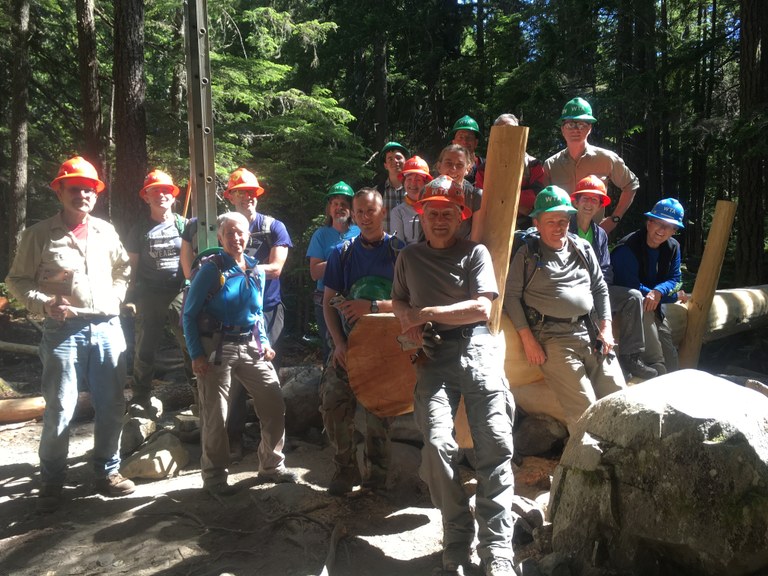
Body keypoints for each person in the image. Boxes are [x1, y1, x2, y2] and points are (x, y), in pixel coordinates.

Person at [391, 176, 517, 576]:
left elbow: (482, 308)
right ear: (420, 216)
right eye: (433, 213)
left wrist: (426, 313)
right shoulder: (408, 258)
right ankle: (456, 538)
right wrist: (407, 322)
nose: (440, 220)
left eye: (448, 213)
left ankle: (497, 548)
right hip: (433, 357)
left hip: (478, 349)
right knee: (437, 446)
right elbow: (399, 300)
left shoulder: (475, 252)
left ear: (461, 217)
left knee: (494, 445)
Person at [5, 156, 135, 512]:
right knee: (60, 408)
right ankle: (51, 480)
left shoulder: (106, 231)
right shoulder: (38, 234)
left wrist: (118, 296)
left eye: (89, 189)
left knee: (111, 404)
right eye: (75, 188)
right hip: (63, 332)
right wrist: (44, 303)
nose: (83, 194)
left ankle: (107, 472)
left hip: (108, 327)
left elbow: (124, 268)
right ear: (59, 190)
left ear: (96, 194)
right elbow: (15, 281)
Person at [182, 212, 296, 495]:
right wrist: (196, 354)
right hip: (217, 347)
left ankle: (271, 465)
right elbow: (189, 314)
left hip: (251, 345)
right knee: (215, 415)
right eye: (230, 233)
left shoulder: (256, 269)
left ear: (249, 236)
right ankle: (214, 477)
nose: (236, 238)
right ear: (220, 237)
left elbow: (257, 313)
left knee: (273, 403)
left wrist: (265, 341)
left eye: (241, 233)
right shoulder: (211, 270)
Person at [503, 186, 626, 433]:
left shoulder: (583, 247)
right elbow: (511, 297)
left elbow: (600, 287)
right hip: (552, 338)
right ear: (537, 223)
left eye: (564, 220)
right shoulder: (528, 255)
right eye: (551, 221)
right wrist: (527, 340)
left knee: (620, 399)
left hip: (591, 333)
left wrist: (606, 328)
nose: (559, 226)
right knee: (585, 409)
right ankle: (588, 468)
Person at [320, 188, 404, 496]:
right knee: (332, 403)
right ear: (353, 215)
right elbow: (328, 302)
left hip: (387, 350)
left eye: (371, 211)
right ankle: (345, 468)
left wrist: (371, 306)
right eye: (360, 212)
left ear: (383, 212)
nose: (365, 217)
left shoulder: (400, 252)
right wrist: (338, 345)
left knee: (377, 414)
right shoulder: (341, 254)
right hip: (349, 346)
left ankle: (376, 477)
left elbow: (413, 304)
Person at [217, 168, 293, 459]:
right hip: (232, 315)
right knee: (234, 378)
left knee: (268, 377)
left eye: (250, 192)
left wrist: (241, 268)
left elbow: (276, 269)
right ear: (231, 196)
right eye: (240, 192)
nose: (246, 197)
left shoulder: (273, 226)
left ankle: (272, 443)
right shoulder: (223, 227)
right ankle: (234, 439)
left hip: (269, 310)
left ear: (256, 196)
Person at [569, 175, 657, 380]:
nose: (589, 204)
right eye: (586, 198)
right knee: (587, 308)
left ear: (600, 205)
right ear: (576, 201)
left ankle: (630, 357)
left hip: (597, 289)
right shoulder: (564, 227)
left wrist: (599, 290)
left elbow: (606, 269)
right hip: (571, 291)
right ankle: (600, 365)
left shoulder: (600, 234)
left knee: (634, 296)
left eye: (595, 200)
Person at [124, 170, 194, 413]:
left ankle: (199, 395)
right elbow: (132, 266)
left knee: (189, 342)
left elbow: (196, 259)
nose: (161, 195)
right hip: (149, 293)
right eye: (155, 191)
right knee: (145, 346)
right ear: (146, 197)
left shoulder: (184, 225)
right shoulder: (139, 229)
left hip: (179, 291)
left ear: (173, 196)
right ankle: (140, 397)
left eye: (165, 190)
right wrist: (129, 296)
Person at [611, 198, 686, 375]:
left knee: (672, 363)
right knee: (657, 364)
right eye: (658, 223)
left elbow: (676, 279)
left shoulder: (673, 247)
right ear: (649, 222)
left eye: (669, 226)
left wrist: (659, 292)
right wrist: (672, 297)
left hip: (654, 307)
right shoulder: (627, 248)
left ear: (674, 231)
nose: (662, 230)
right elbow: (630, 287)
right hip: (628, 311)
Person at [543, 97, 639, 233]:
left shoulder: (606, 158)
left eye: (582, 125)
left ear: (590, 128)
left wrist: (614, 219)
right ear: (562, 129)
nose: (576, 130)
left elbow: (631, 185)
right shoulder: (551, 165)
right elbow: (544, 205)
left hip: (593, 236)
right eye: (570, 124)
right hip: (559, 236)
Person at [306, 181, 360, 361]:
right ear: (329, 208)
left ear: (352, 209)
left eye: (344, 204)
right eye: (335, 204)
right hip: (325, 300)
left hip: (355, 299)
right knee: (332, 351)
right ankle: (329, 388)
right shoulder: (321, 235)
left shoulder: (360, 232)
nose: (339, 208)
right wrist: (342, 259)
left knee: (358, 346)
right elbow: (315, 272)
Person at [492, 113, 546, 230]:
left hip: (526, 227)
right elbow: (484, 198)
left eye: (512, 130)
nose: (507, 134)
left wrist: (502, 200)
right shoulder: (485, 167)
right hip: (494, 224)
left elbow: (537, 195)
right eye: (501, 130)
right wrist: (517, 206)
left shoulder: (533, 164)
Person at [435, 145, 484, 241]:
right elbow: (427, 234)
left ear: (468, 169)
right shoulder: (427, 192)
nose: (453, 168)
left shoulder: (475, 196)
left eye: (459, 165)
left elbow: (475, 241)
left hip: (463, 251)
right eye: (448, 163)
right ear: (439, 166)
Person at [389, 155, 433, 244]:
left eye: (418, 180)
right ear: (404, 182)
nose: (413, 183)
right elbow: (398, 246)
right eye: (409, 179)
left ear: (425, 183)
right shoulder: (398, 212)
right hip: (408, 257)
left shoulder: (434, 208)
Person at [375, 141, 410, 233]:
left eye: (398, 157)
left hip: (411, 246)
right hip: (385, 245)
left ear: (406, 161)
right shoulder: (377, 193)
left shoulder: (414, 190)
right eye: (390, 159)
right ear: (385, 165)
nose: (395, 161)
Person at [450, 115, 485, 189]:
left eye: (469, 137)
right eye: (460, 137)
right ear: (453, 142)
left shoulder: (486, 167)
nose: (465, 141)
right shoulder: (446, 167)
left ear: (476, 143)